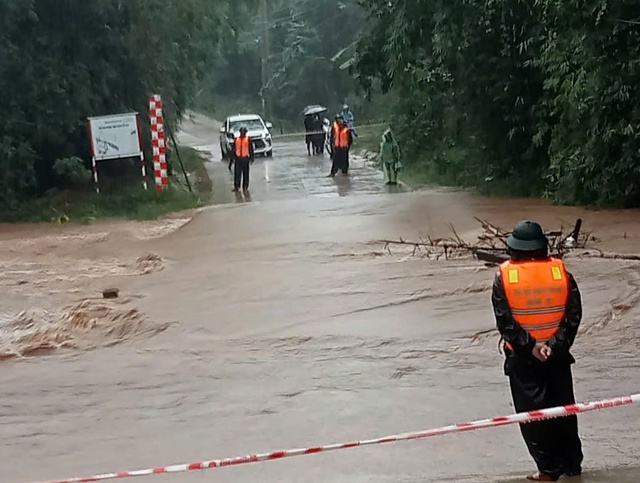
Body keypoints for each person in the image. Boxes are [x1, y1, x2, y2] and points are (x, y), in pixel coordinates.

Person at [491, 221, 583, 482]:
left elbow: (505, 322)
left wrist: (531, 347)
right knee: (564, 411)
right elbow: (573, 315)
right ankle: (572, 467)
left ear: (514, 249)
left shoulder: (505, 277)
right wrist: (554, 346)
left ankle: (547, 470)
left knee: (533, 417)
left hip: (524, 360)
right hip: (558, 357)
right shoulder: (561, 273)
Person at [229, 126, 254, 194]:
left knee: (246, 174)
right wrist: (232, 159)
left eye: (244, 132)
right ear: (240, 132)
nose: (243, 133)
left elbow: (251, 149)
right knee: (237, 174)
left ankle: (245, 187)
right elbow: (233, 150)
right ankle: (237, 186)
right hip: (238, 159)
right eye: (242, 132)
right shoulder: (236, 139)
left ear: (246, 132)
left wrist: (251, 158)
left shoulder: (248, 139)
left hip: (245, 159)